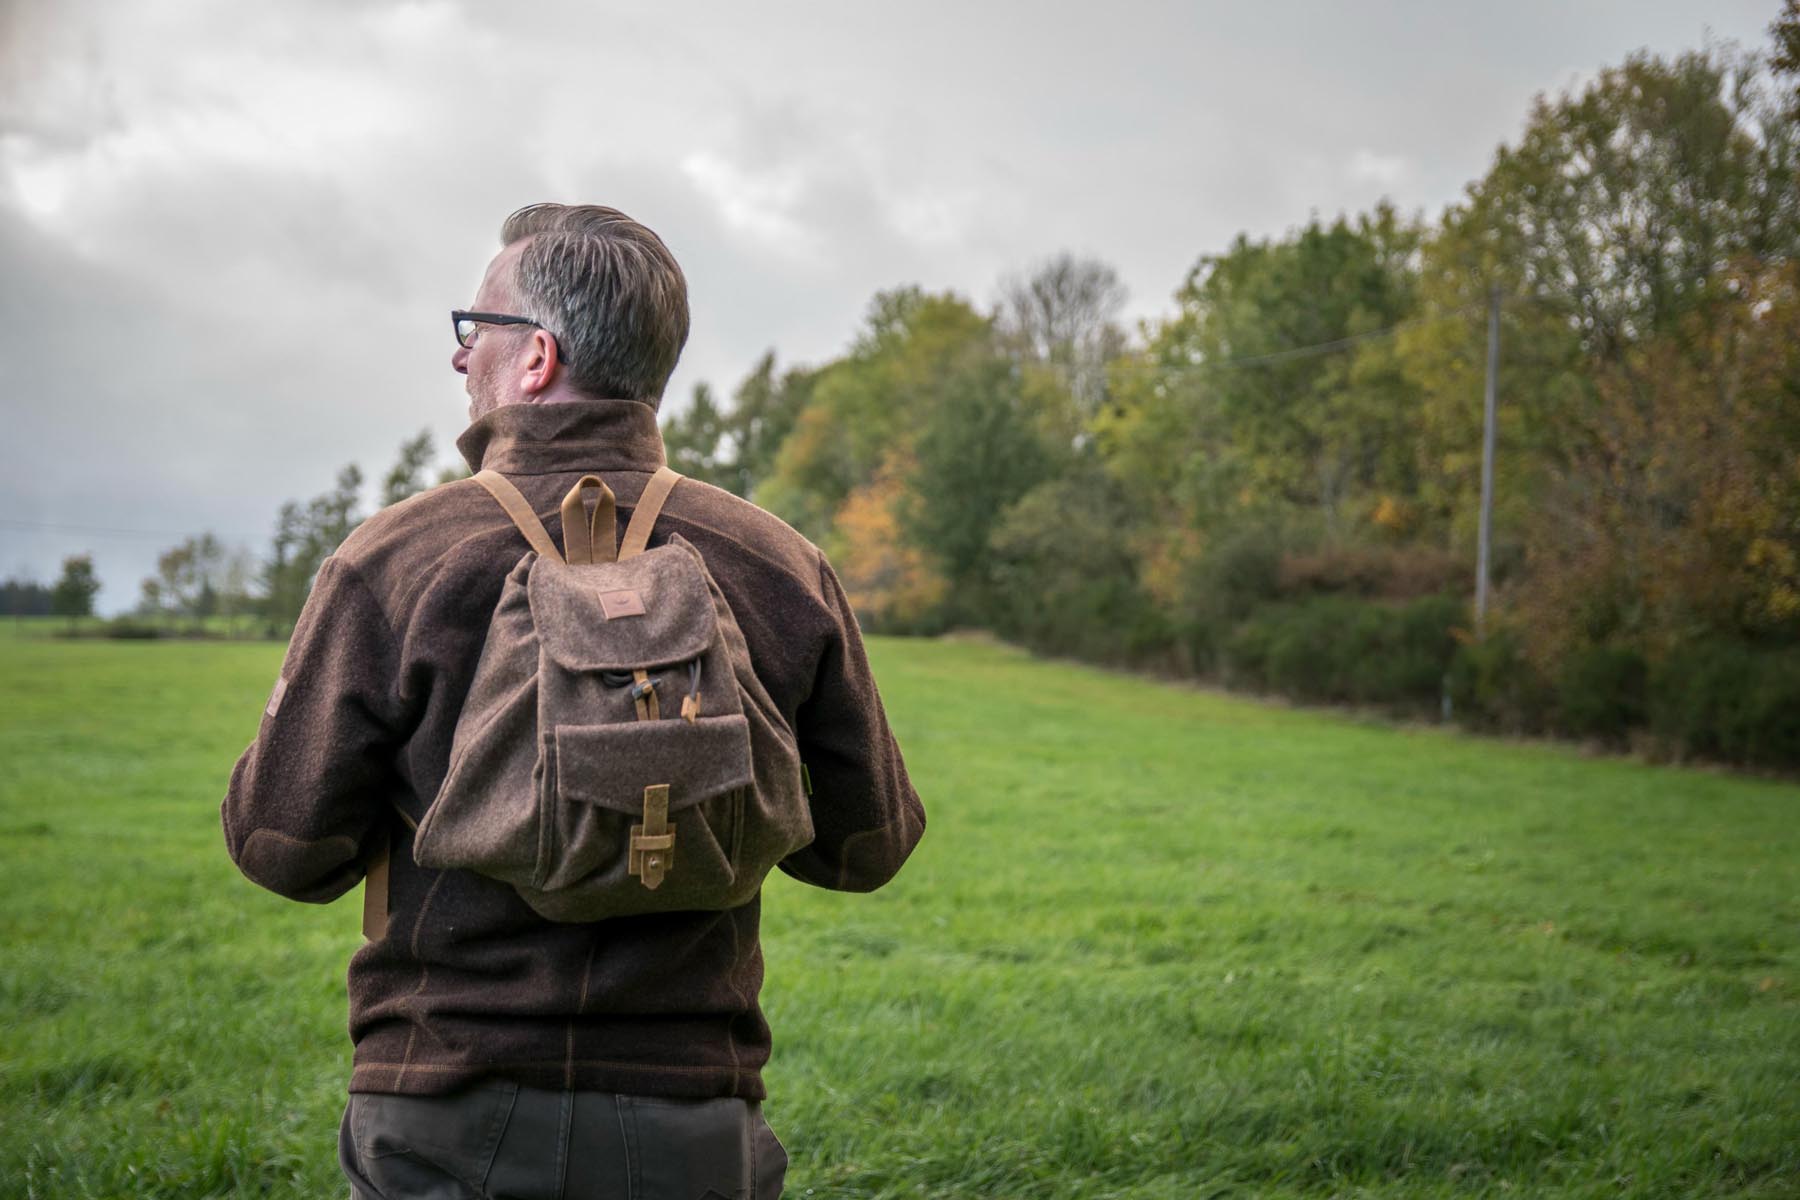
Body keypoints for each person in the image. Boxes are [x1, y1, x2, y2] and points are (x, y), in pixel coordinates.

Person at [222, 203, 925, 1199]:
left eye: (477, 331)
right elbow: (867, 848)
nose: (461, 361)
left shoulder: (396, 560)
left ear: (537, 357)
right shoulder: (776, 563)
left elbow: (279, 849)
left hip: (443, 1103)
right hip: (692, 1116)